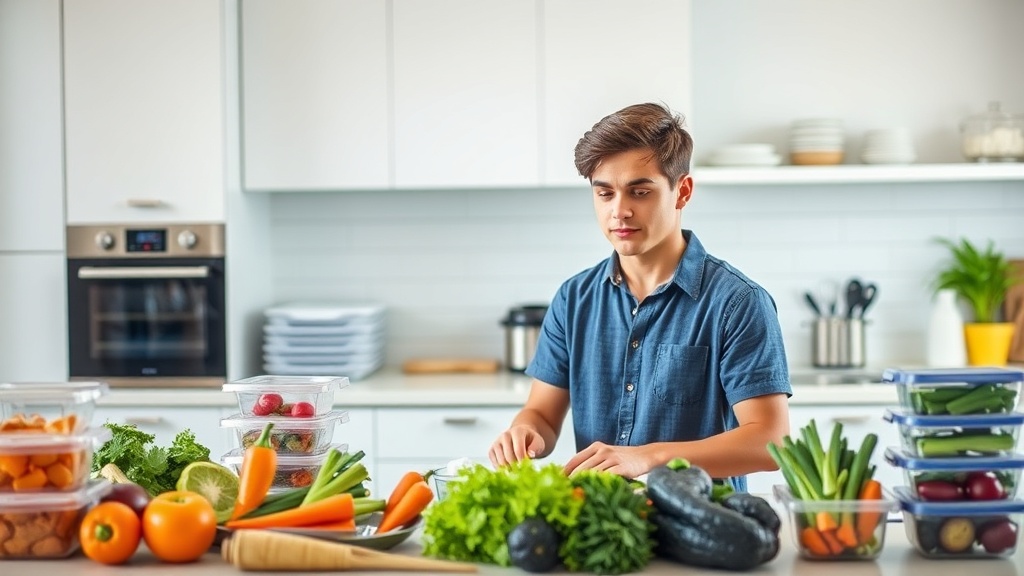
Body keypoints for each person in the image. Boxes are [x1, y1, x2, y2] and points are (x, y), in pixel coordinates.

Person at [488, 102, 791, 490]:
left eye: (640, 192)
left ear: (682, 192)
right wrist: (524, 432)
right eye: (605, 194)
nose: (619, 212)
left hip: (705, 527)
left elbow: (770, 442)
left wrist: (648, 457)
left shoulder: (738, 302)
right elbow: (542, 415)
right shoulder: (573, 299)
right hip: (605, 527)